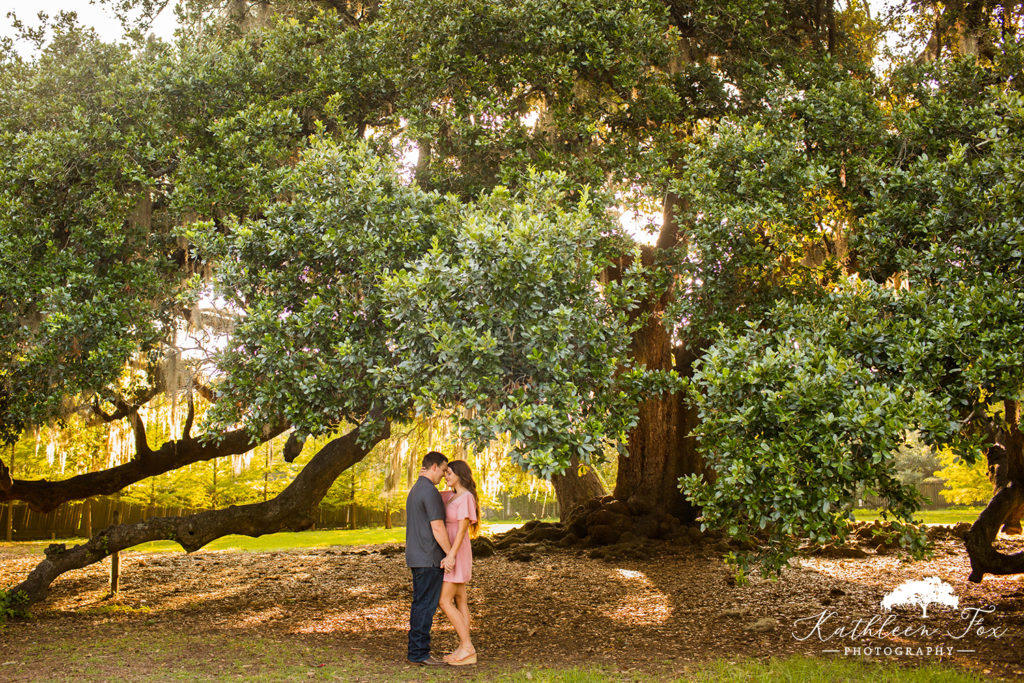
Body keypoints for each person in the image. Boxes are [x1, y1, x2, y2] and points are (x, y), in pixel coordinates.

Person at [405, 451, 452, 666]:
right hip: (429, 557)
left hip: (417, 556)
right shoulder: (430, 491)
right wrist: (450, 554)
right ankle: (419, 654)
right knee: (425, 606)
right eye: (443, 470)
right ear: (434, 467)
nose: (444, 474)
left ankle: (416, 651)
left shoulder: (416, 489)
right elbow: (438, 527)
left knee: (420, 604)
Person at [438, 459, 480, 666]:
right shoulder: (449, 496)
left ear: (460, 475)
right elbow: (428, 490)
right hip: (451, 550)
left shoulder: (466, 498)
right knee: (460, 599)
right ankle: (465, 647)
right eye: (445, 473)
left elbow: (463, 530)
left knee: (444, 601)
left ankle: (468, 647)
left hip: (457, 550)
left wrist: (451, 555)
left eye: (449, 473)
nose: (446, 476)